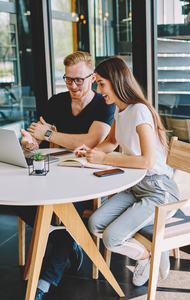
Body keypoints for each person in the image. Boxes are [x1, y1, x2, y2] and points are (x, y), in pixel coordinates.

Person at [12, 51, 115, 300]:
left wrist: (49, 135)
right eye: (68, 79)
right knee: (18, 199)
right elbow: (36, 133)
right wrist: (30, 143)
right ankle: (69, 243)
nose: (73, 86)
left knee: (68, 214)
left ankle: (44, 283)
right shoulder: (57, 101)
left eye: (79, 80)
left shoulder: (104, 104)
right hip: (56, 169)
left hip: (86, 174)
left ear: (92, 78)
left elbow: (91, 140)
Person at [74, 56, 180, 287]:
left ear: (116, 81)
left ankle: (146, 256)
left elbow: (148, 161)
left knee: (112, 238)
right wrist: (90, 152)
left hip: (159, 190)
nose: (98, 89)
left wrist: (104, 159)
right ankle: (152, 246)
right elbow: (111, 141)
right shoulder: (119, 110)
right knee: (95, 223)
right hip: (135, 186)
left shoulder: (139, 111)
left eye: (101, 83)